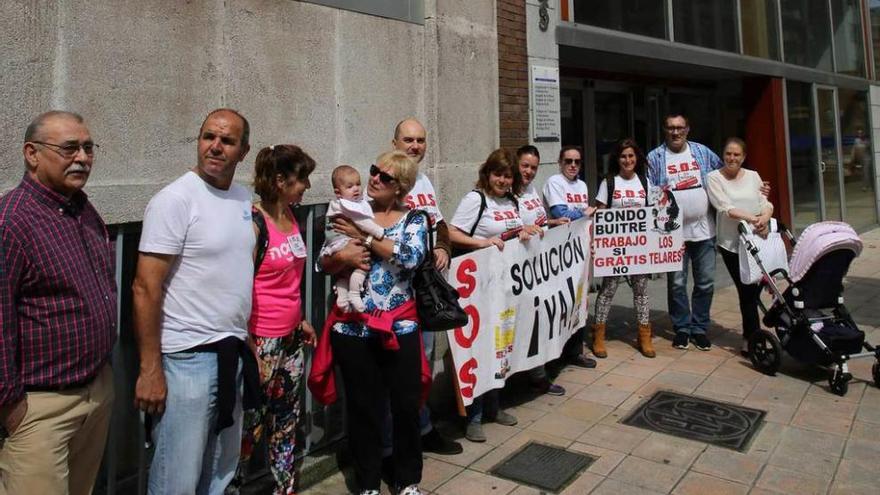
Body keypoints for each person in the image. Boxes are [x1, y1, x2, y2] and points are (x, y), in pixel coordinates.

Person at [133, 108, 256, 495]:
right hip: (186, 361)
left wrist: (245, 336)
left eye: (227, 141)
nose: (215, 147)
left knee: (219, 474)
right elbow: (144, 287)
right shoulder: (175, 200)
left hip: (231, 354)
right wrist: (150, 368)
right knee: (177, 482)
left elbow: (235, 273)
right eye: (208, 137)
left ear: (243, 151)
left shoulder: (242, 197)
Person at [0, 111, 116, 495]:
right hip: (40, 406)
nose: (82, 157)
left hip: (94, 392)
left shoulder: (81, 208)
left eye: (87, 148)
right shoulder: (12, 221)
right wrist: (11, 406)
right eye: (69, 148)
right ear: (32, 154)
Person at [321, 150, 428, 495]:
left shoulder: (415, 219)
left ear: (401, 188)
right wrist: (342, 254)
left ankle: (407, 478)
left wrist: (365, 237)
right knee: (363, 409)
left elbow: (409, 256)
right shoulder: (348, 212)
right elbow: (325, 262)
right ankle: (367, 482)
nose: (374, 179)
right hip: (353, 328)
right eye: (373, 171)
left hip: (400, 328)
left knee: (405, 407)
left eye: (385, 177)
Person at [227, 145, 318, 495]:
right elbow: (238, 284)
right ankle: (233, 489)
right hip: (260, 342)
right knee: (249, 428)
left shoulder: (291, 217)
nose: (306, 186)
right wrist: (244, 334)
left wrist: (301, 318)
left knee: (285, 423)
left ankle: (285, 489)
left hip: (291, 338)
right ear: (280, 181)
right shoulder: (253, 223)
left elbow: (289, 282)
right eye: (301, 178)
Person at [449, 148, 543, 443]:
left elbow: (509, 234)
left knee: (500, 345)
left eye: (508, 175)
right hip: (478, 289)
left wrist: (524, 231)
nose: (503, 180)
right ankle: (473, 416)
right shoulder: (475, 200)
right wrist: (480, 243)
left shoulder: (512, 201)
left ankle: (494, 406)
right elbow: (451, 233)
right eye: (498, 174)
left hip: (505, 289)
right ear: (487, 173)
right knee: (479, 349)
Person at [392, 118, 461, 455]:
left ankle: (423, 427)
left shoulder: (424, 180)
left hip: (426, 291)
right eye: (408, 139)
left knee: (424, 363)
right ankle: (397, 443)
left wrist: (443, 246)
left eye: (420, 140)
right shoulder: (386, 179)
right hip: (396, 294)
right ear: (395, 141)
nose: (415, 146)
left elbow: (440, 222)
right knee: (401, 370)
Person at [647, 114, 723, 351]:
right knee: (677, 284)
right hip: (673, 235)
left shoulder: (702, 152)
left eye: (680, 128)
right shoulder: (655, 157)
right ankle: (681, 328)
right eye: (671, 128)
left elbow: (724, 177)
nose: (675, 132)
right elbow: (649, 195)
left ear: (688, 129)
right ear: (664, 130)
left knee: (705, 282)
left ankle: (699, 328)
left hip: (704, 231)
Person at [706, 138, 773, 355]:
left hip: (756, 241)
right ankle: (751, 338)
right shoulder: (713, 178)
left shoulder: (753, 176)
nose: (732, 158)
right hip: (731, 244)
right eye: (728, 154)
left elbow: (765, 203)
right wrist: (754, 220)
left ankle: (754, 334)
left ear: (744, 157)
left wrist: (765, 218)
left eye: (736, 155)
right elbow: (726, 208)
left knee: (754, 289)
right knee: (746, 289)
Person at [593, 139, 655, 359]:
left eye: (631, 156)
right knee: (608, 290)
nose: (627, 160)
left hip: (638, 248)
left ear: (636, 158)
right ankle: (599, 334)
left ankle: (644, 334)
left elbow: (654, 214)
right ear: (617, 159)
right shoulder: (609, 183)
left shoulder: (645, 183)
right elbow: (600, 215)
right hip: (614, 249)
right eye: (623, 156)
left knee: (641, 291)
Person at [516, 145, 567, 396]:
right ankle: (536, 376)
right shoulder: (510, 193)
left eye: (533, 168)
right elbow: (511, 226)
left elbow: (539, 221)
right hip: (522, 271)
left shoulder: (531, 190)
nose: (529, 171)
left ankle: (540, 370)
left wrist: (552, 222)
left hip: (540, 267)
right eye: (525, 166)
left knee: (545, 318)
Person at [543, 145, 598, 368]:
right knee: (561, 303)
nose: (573, 165)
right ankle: (557, 355)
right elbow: (560, 214)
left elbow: (582, 222)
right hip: (559, 252)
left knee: (579, 300)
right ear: (560, 162)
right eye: (568, 161)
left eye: (577, 161)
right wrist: (584, 213)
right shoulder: (554, 183)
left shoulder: (582, 185)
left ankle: (575, 352)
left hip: (579, 250)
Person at [322, 165, 387, 312]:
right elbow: (362, 223)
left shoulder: (342, 204)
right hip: (344, 243)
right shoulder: (348, 206)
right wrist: (377, 231)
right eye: (350, 186)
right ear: (338, 193)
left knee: (344, 273)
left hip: (336, 245)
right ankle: (354, 293)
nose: (356, 189)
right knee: (363, 266)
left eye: (358, 184)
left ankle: (342, 297)